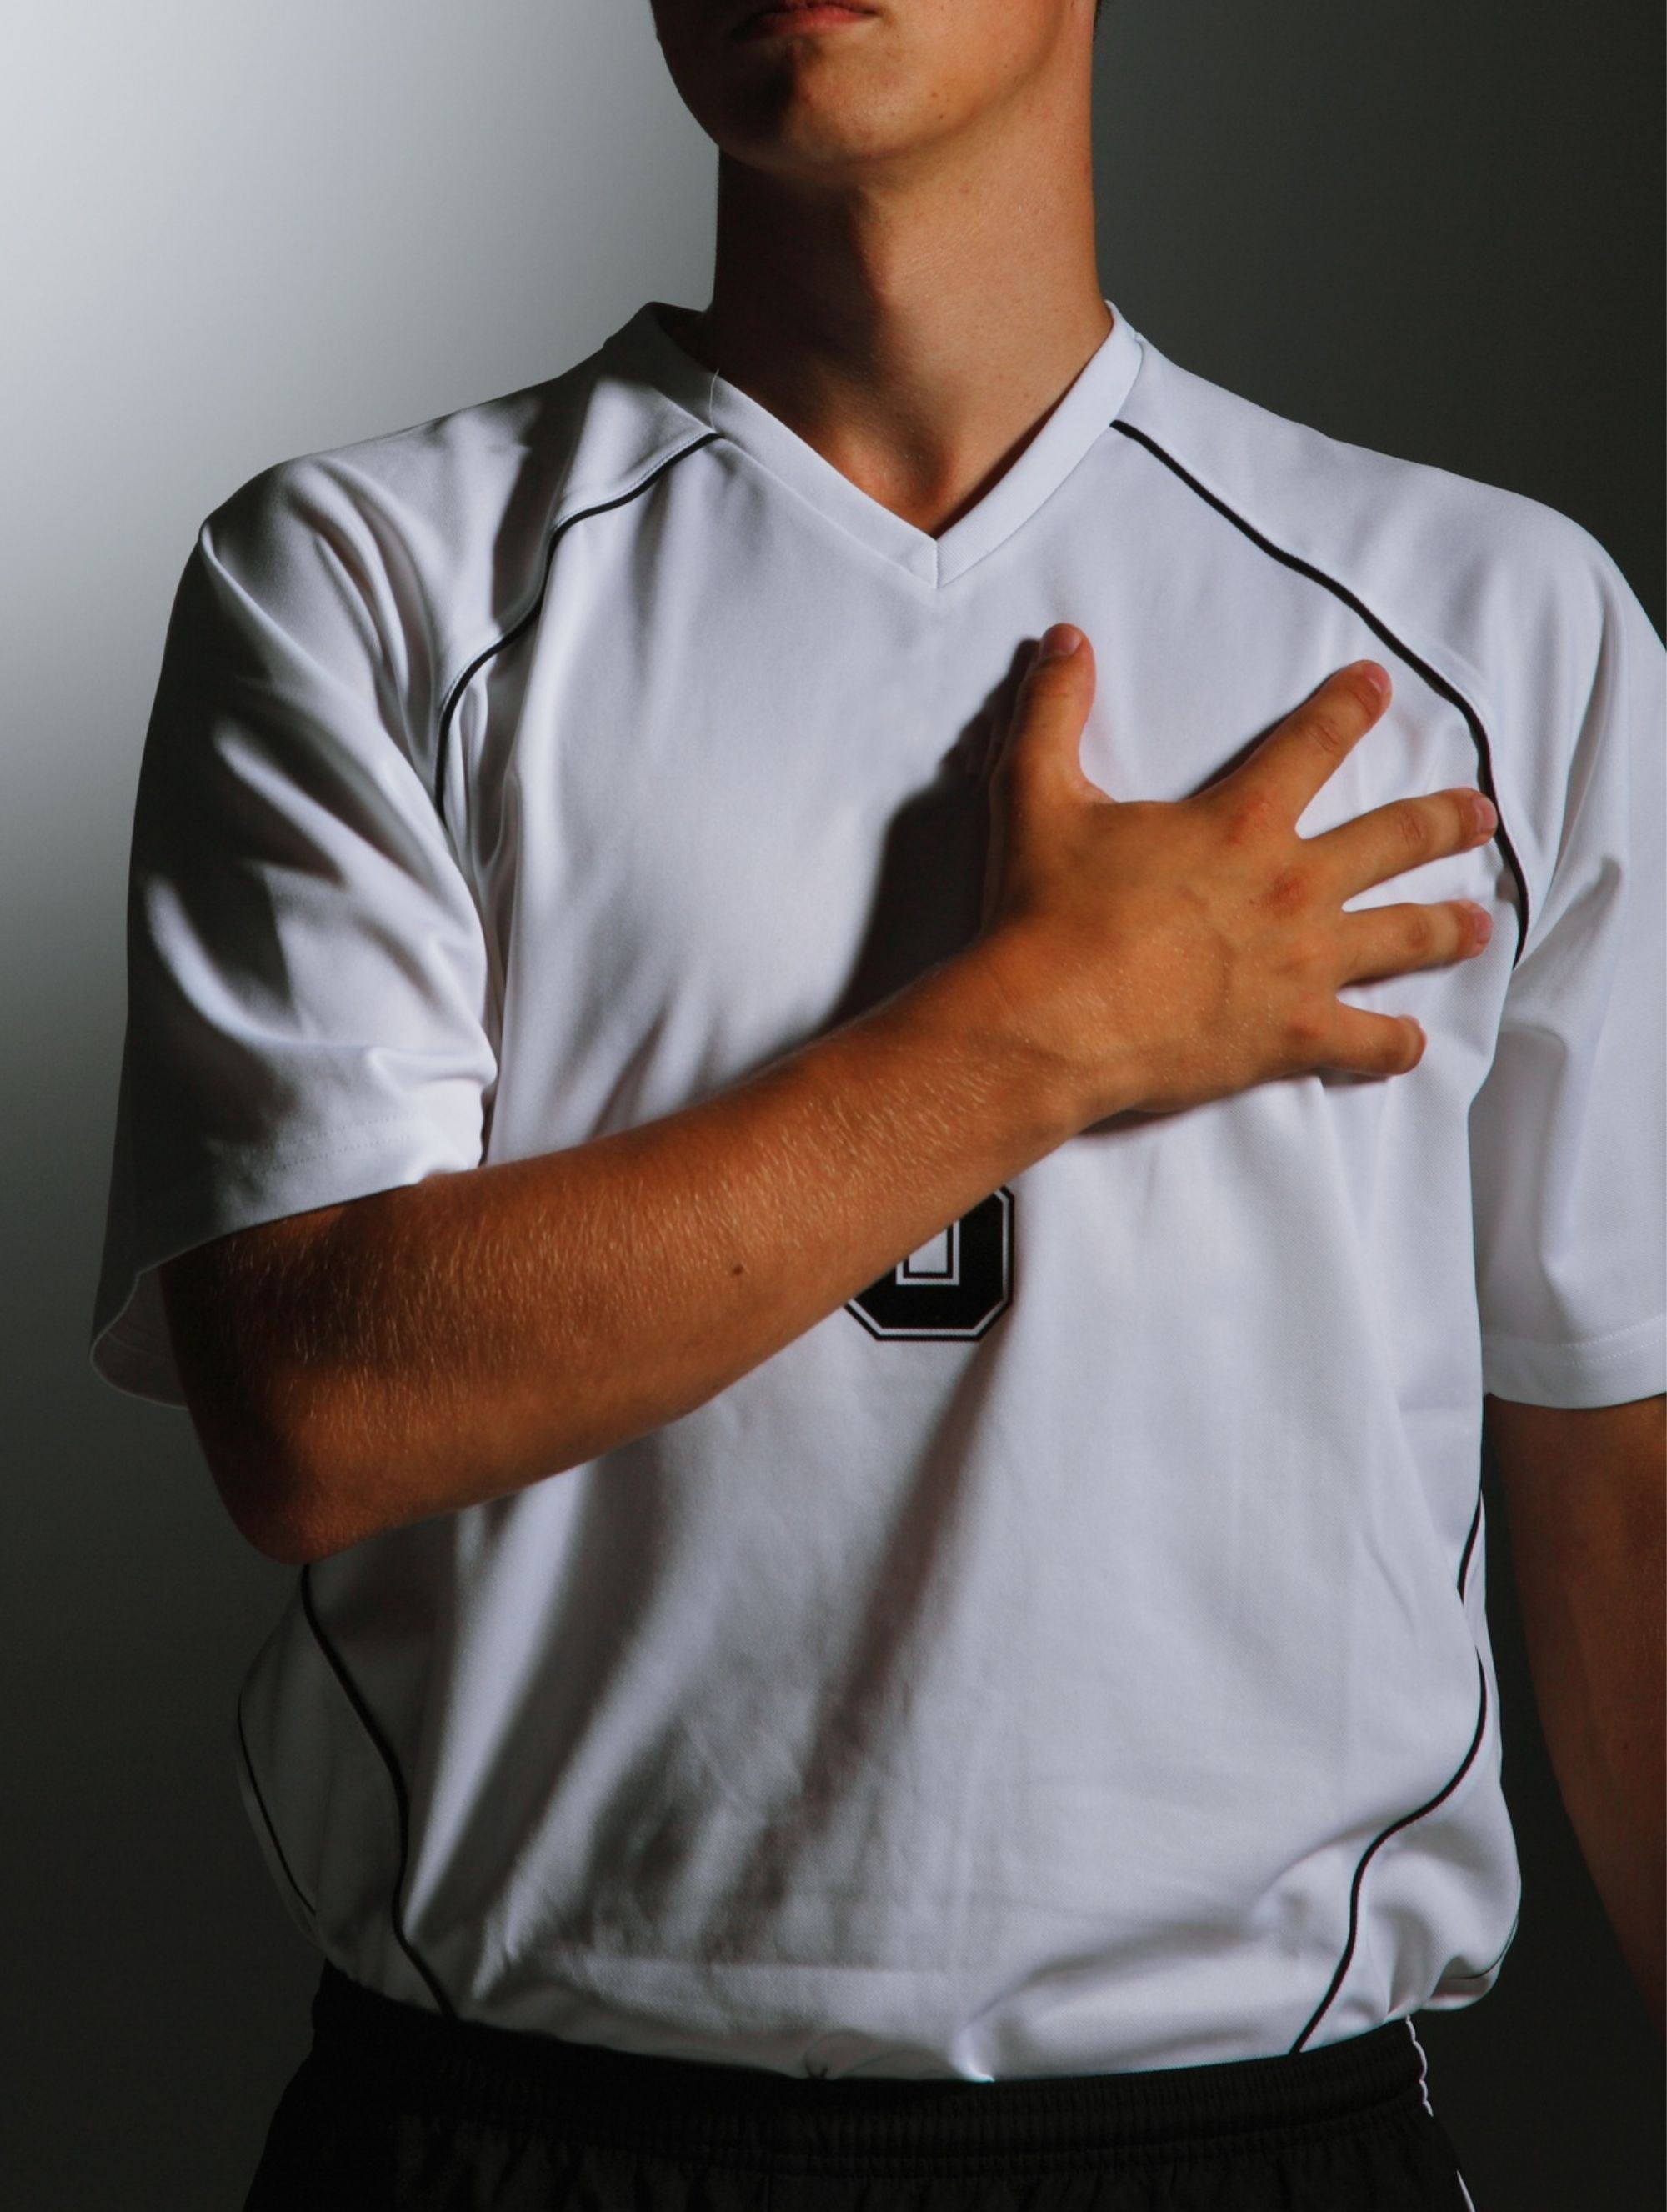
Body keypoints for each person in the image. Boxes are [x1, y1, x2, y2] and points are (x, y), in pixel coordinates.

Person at [88, 1, 1662, 2205]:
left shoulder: (1496, 626)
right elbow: (318, 1408)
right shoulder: (367, 576)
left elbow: (1626, 1500)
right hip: (523, 2132)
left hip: (1243, 2137)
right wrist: (1047, 1030)